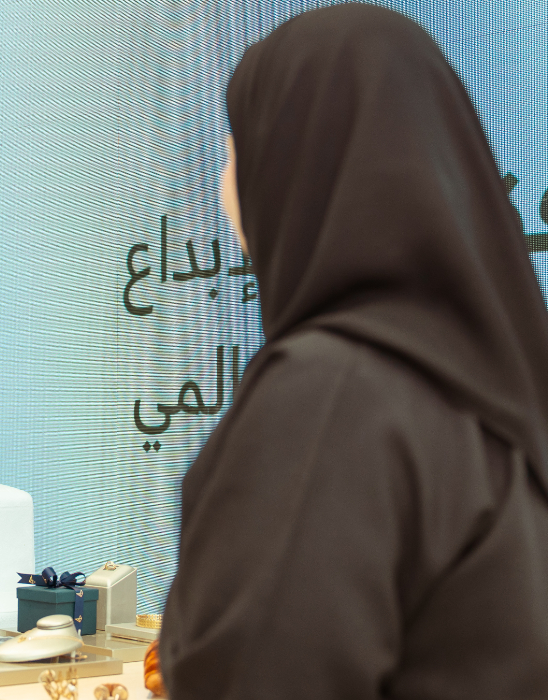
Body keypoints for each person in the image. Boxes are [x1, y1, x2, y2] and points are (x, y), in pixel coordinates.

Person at [160, 5, 548, 698]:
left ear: (297, 162)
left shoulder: (331, 396)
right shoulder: (485, 401)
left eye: (232, 150)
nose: (221, 190)